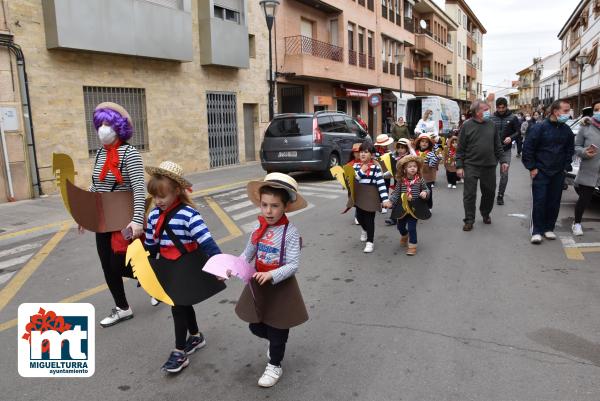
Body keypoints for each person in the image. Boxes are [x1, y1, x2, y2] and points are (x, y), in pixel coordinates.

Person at [144, 161, 224, 373]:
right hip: (168, 267)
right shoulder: (153, 216)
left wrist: (219, 265)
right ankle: (195, 337)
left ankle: (179, 351)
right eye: (155, 196)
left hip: (188, 265)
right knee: (183, 303)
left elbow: (207, 242)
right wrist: (148, 269)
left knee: (178, 306)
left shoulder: (189, 214)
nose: (158, 201)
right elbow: (151, 245)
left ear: (177, 191)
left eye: (163, 196)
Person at [235, 173, 309, 387]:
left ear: (285, 206)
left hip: (281, 288)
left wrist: (271, 275)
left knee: (278, 328)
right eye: (264, 205)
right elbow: (247, 253)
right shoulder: (258, 229)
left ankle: (275, 364)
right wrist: (232, 267)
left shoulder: (290, 232)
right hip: (258, 285)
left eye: (274, 206)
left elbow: (293, 264)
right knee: (255, 326)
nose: (268, 211)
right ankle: (276, 342)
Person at [85, 102, 146, 327]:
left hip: (124, 218)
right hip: (103, 217)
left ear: (118, 127)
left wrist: (138, 219)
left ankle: (150, 279)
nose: (102, 128)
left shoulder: (130, 153)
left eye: (108, 124)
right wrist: (83, 212)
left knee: (118, 264)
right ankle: (122, 307)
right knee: (105, 265)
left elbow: (139, 188)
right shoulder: (101, 153)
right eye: (100, 124)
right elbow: (96, 186)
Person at [522, 99, 574, 244]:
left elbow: (570, 149)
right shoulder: (539, 128)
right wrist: (532, 167)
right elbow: (528, 148)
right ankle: (536, 231)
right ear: (555, 111)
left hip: (558, 172)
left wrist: (565, 166)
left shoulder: (566, 130)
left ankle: (548, 228)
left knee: (554, 202)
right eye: (565, 111)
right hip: (541, 171)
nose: (568, 114)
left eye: (569, 110)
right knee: (539, 201)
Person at [456, 100, 505, 231]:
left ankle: (485, 213)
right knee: (469, 194)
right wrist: (459, 166)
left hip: (489, 166)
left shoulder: (492, 125)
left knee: (489, 193)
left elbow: (498, 145)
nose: (488, 111)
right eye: (485, 109)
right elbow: (460, 149)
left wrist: (503, 160)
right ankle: (469, 220)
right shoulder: (466, 126)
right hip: (471, 165)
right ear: (477, 112)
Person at [353, 143, 391, 253]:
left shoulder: (376, 168)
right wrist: (361, 171)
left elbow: (381, 184)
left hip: (372, 196)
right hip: (360, 196)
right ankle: (364, 230)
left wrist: (385, 199)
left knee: (369, 220)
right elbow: (353, 181)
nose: (363, 154)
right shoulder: (355, 166)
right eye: (361, 152)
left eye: (366, 152)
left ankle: (370, 242)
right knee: (360, 218)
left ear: (372, 154)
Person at [389, 155, 430, 256]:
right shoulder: (401, 181)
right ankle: (404, 235)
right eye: (410, 166)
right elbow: (396, 193)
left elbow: (426, 189)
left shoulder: (420, 180)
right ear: (404, 169)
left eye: (415, 166)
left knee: (412, 227)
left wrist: (425, 193)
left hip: (415, 208)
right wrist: (391, 201)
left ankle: (412, 246)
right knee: (400, 226)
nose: (413, 168)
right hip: (402, 207)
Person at [571, 100, 600, 236]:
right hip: (589, 168)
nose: (598, 112)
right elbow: (576, 147)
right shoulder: (585, 127)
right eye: (596, 109)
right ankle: (576, 223)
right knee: (585, 199)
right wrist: (584, 152)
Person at [490, 97, 521, 205]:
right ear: (496, 107)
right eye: (499, 108)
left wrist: (511, 138)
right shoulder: (491, 118)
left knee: (504, 174)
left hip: (506, 150)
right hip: (493, 150)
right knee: (490, 174)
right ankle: (490, 193)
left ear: (506, 106)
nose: (501, 110)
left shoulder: (513, 118)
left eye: (503, 107)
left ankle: (500, 195)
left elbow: (518, 132)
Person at [415, 133, 442, 209]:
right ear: (419, 143)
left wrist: (437, 158)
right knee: (417, 191)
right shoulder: (415, 152)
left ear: (429, 144)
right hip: (416, 175)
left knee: (428, 191)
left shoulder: (430, 153)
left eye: (426, 142)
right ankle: (419, 206)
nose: (424, 143)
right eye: (422, 141)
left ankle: (429, 206)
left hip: (427, 175)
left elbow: (432, 165)